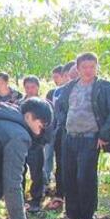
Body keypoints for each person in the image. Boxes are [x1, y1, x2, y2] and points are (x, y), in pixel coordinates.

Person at [56, 52, 110, 219]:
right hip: (69, 137)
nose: (88, 70)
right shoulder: (70, 87)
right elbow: (60, 107)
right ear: (78, 68)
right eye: (84, 67)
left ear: (96, 67)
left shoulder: (104, 87)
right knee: (69, 176)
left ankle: (87, 218)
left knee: (85, 178)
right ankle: (72, 215)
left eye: (92, 66)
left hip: (90, 138)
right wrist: (63, 124)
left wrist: (104, 134)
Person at [46, 60, 78, 211]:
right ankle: (60, 195)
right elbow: (56, 112)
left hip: (79, 133)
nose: (71, 78)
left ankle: (78, 202)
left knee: (78, 168)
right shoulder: (58, 92)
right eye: (69, 75)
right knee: (61, 165)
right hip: (61, 131)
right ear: (64, 75)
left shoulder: (85, 89)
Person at [20, 76, 46, 212]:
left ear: (38, 87)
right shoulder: (21, 105)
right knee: (20, 172)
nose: (30, 90)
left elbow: (49, 126)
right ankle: (19, 200)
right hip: (21, 144)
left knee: (37, 173)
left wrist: (42, 141)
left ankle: (36, 200)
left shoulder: (43, 105)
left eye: (33, 87)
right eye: (27, 87)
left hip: (36, 145)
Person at [43, 66, 66, 194]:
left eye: (56, 77)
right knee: (47, 157)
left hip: (63, 131)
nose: (55, 80)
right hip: (52, 130)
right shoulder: (53, 92)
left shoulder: (68, 91)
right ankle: (47, 182)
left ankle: (61, 189)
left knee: (61, 160)